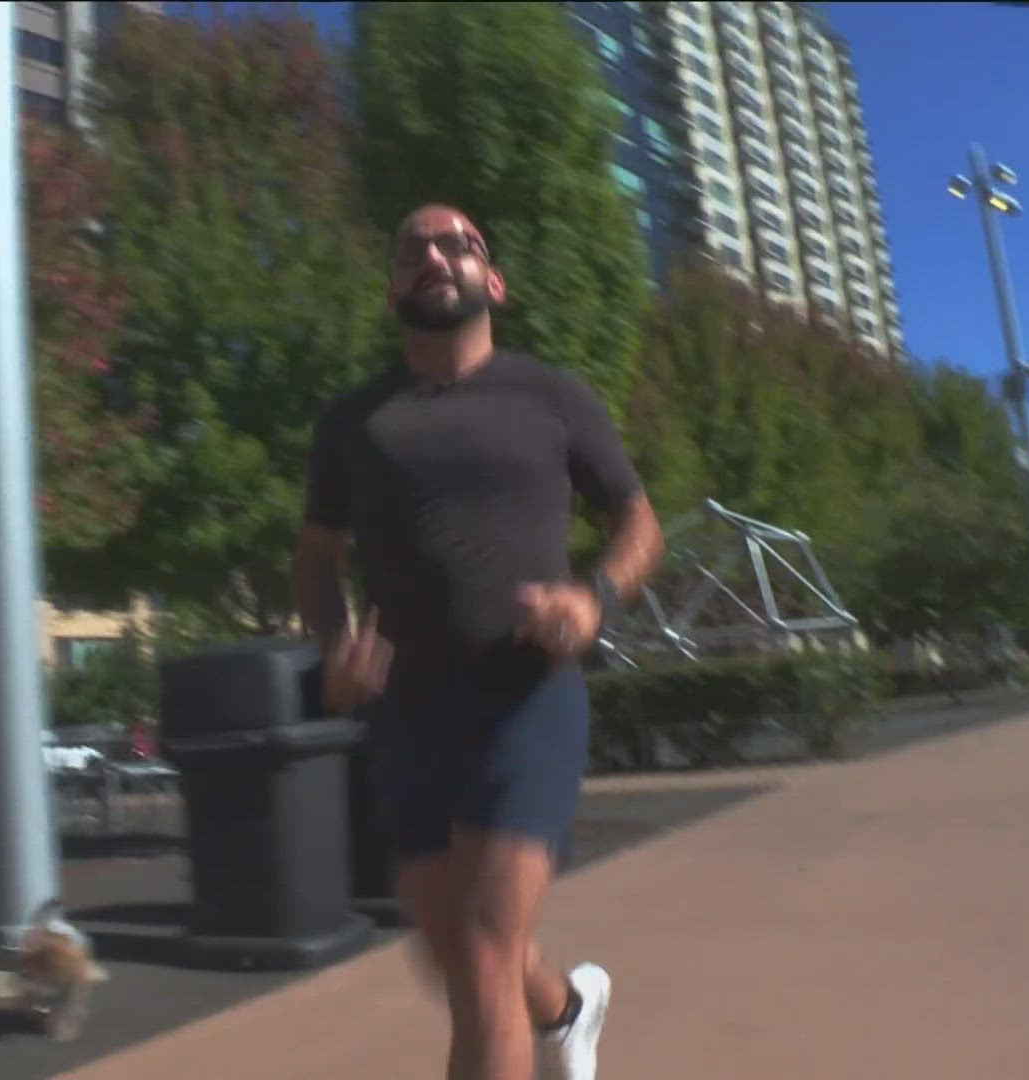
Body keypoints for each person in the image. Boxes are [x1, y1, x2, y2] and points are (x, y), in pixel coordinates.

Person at [291, 205, 664, 1080]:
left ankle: (549, 1018)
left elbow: (638, 521)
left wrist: (596, 596)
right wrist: (335, 642)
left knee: (488, 954)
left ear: (491, 281)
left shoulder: (553, 396)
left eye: (456, 243)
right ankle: (569, 1011)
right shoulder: (352, 422)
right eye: (411, 245)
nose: (433, 254)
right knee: (459, 959)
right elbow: (315, 557)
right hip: (407, 710)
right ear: (393, 287)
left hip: (526, 694)